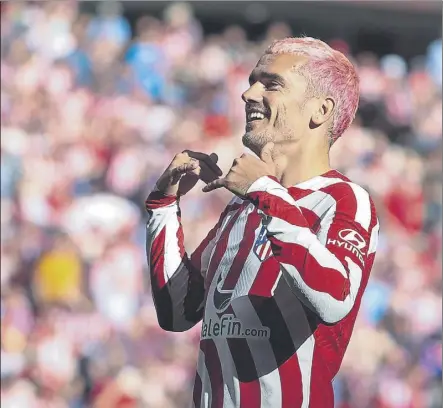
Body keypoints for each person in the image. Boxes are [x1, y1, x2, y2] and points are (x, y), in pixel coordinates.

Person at [145, 37, 380, 408]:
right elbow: (177, 313)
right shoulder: (242, 209)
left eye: (271, 83)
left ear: (319, 110)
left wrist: (263, 190)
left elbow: (335, 298)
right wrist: (163, 203)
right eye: (253, 80)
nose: (248, 93)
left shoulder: (344, 199)